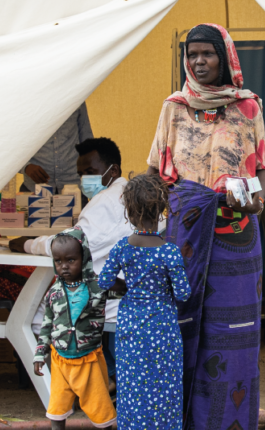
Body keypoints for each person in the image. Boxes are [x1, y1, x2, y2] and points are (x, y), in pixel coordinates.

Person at [146, 23, 265, 430]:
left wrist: (256, 201)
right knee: (184, 332)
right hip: (184, 237)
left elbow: (263, 171)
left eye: (208, 54)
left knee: (232, 338)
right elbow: (153, 172)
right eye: (192, 54)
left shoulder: (249, 107)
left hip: (237, 238)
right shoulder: (173, 107)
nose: (199, 62)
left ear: (226, 57)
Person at [11, 137, 129, 384]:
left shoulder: (107, 201)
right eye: (81, 174)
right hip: (122, 291)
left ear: (113, 170)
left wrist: (26, 244)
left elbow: (71, 244)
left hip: (108, 297)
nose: (85, 179)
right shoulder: (126, 194)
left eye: (91, 172)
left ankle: (74, 386)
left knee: (33, 318)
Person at [98, 173, 190, 430]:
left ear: (128, 210)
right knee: (165, 384)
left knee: (133, 385)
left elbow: (104, 283)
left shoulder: (122, 248)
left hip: (131, 323)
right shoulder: (169, 251)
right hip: (163, 326)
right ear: (161, 209)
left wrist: (131, 286)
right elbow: (183, 293)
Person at [33, 229, 121, 430]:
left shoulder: (98, 286)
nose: (63, 266)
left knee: (99, 408)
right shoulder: (54, 293)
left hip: (88, 359)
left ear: (85, 258)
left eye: (71, 260)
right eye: (58, 261)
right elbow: (47, 325)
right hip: (60, 361)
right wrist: (40, 354)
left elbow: (123, 291)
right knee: (57, 408)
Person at [22, 102, 93, 191]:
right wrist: (26, 167)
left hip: (73, 186)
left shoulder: (77, 98)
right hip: (35, 189)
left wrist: (92, 182)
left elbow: (87, 141)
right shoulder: (27, 101)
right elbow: (12, 145)